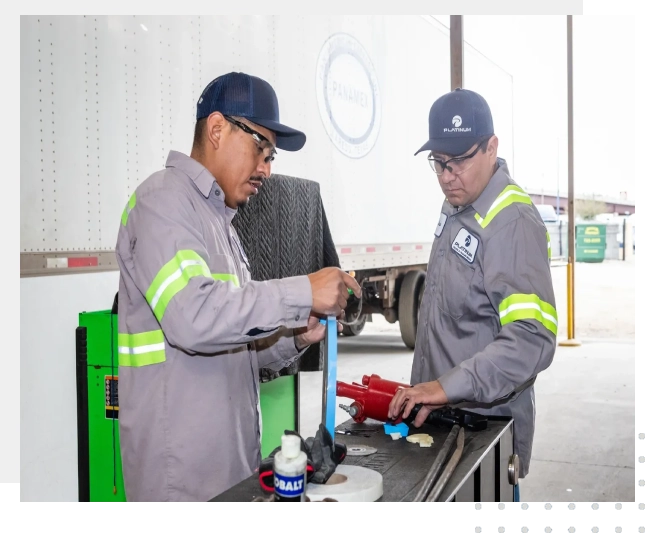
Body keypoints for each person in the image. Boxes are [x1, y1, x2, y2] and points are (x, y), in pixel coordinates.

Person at [115, 72, 361, 503]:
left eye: (272, 156)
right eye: (260, 147)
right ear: (216, 129)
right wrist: (302, 290)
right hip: (181, 479)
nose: (266, 168)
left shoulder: (220, 223)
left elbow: (235, 348)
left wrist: (297, 334)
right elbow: (193, 319)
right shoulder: (163, 202)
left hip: (229, 469)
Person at [388, 88, 557, 502]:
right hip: (444, 427)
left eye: (459, 160)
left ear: (492, 147)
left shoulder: (511, 222)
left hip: (485, 435)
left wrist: (447, 386)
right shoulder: (457, 204)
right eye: (439, 163)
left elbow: (533, 337)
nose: (447, 176)